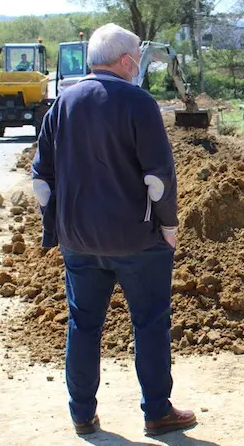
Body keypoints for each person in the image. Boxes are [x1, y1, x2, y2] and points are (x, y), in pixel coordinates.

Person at [32, 23, 196, 436]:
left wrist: (56, 230)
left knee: (83, 326)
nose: (139, 64)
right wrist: (169, 225)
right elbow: (158, 177)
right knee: (150, 322)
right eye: (137, 57)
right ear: (125, 60)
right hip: (136, 241)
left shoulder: (62, 105)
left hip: (78, 242)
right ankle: (157, 412)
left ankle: (81, 415)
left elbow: (41, 180)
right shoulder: (138, 102)